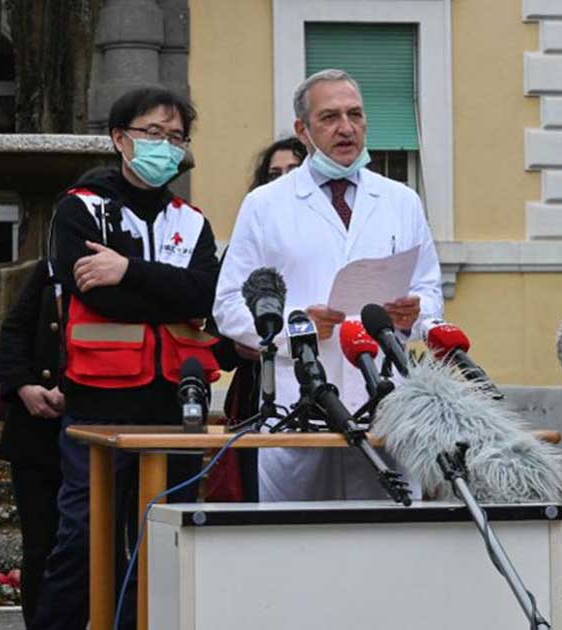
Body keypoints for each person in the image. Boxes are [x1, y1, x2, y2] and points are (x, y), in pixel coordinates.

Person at [30, 86, 220, 630]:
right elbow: (98, 296)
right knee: (83, 538)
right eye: (153, 133)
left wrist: (129, 270)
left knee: (167, 539)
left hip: (176, 401)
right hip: (100, 399)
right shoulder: (81, 209)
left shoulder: (192, 220)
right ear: (120, 138)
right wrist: (169, 292)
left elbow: (206, 294)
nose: (166, 146)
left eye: (176, 137)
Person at [213, 69, 443, 502]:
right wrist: (294, 327)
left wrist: (413, 313)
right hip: (298, 401)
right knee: (301, 531)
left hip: (385, 403)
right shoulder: (265, 205)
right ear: (303, 130)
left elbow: (430, 293)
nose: (346, 128)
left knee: (388, 528)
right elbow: (228, 305)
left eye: (355, 114)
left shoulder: (401, 201)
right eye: (330, 117)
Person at [204, 137, 307, 502]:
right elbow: (216, 337)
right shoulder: (245, 247)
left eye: (293, 171)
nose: (284, 180)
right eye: (274, 174)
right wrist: (240, 343)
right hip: (257, 395)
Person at [0, 258, 64, 628]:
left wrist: (74, 390)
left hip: (90, 427)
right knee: (39, 546)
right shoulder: (49, 268)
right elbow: (14, 330)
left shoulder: (123, 266)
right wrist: (23, 385)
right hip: (35, 433)